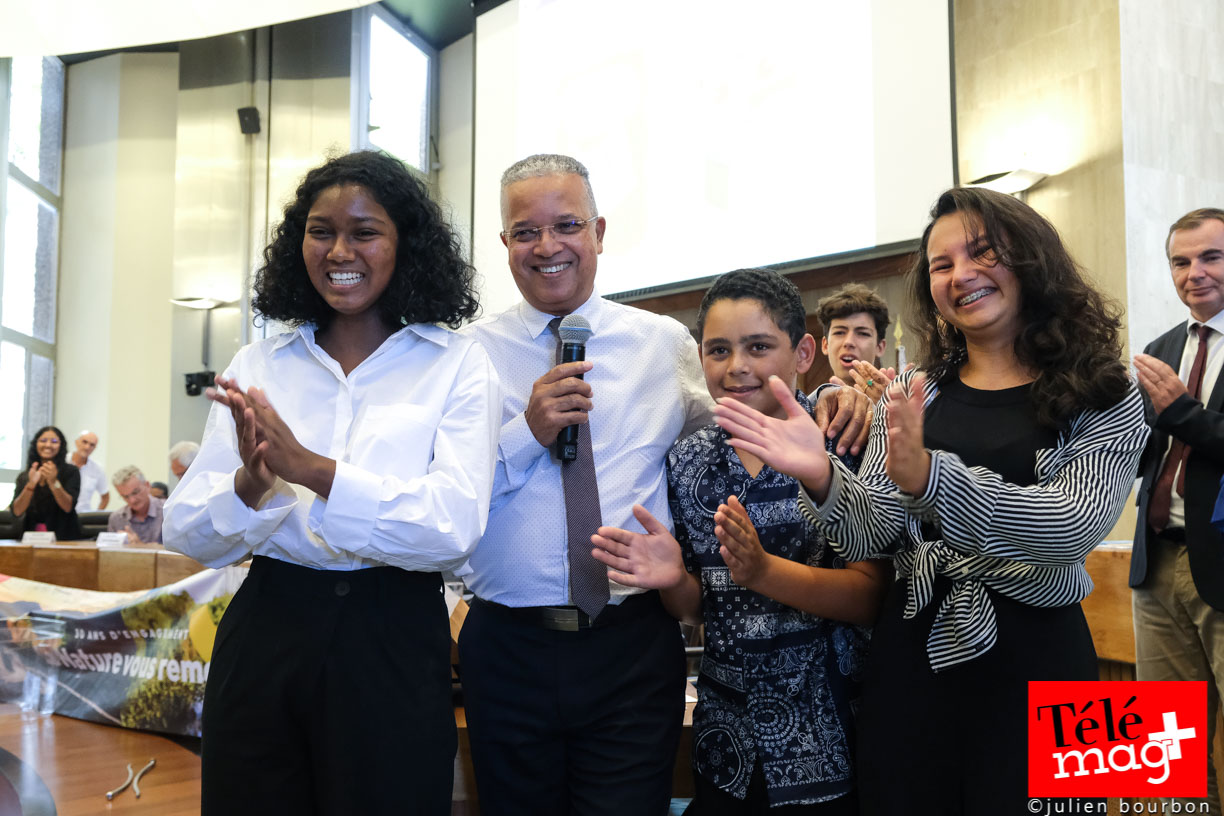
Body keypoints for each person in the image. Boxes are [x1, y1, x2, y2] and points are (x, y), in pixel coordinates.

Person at [458, 154, 872, 816]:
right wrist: (525, 433)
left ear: (597, 230)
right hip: (507, 646)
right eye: (525, 231)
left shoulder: (662, 344)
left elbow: (749, 416)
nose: (547, 246)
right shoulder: (466, 356)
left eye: (566, 224)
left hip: (629, 645)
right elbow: (445, 497)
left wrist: (826, 397)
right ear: (505, 243)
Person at [712, 187, 1148, 814]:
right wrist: (822, 476)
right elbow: (874, 536)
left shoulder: (1102, 388)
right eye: (941, 265)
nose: (961, 275)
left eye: (982, 252)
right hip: (914, 657)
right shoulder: (924, 391)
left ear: (1029, 259)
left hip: (1045, 659)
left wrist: (930, 480)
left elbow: (1072, 524)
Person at [163, 150, 500, 816]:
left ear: (406, 245)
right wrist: (252, 484)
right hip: (267, 626)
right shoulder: (260, 360)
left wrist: (310, 470)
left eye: (364, 232)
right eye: (321, 231)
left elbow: (452, 528)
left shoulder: (458, 363)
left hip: (393, 635)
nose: (339, 249)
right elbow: (186, 532)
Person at [591, 268, 889, 814]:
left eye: (758, 346)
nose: (737, 367)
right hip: (727, 736)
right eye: (719, 350)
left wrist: (763, 570)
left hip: (828, 727)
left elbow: (872, 597)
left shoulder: (844, 440)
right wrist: (673, 580)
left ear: (803, 353)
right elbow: (700, 607)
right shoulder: (687, 460)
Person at [1130, 207, 1224, 812]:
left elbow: (1186, 423)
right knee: (1166, 759)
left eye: (1211, 257)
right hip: (1157, 564)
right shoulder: (1159, 350)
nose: (1195, 273)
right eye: (1180, 261)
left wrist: (1181, 412)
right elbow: (1145, 449)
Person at [815, 283, 893, 402]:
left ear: (880, 347)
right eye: (839, 332)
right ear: (825, 345)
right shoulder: (809, 408)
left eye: (863, 333)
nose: (849, 342)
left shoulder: (896, 404)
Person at [9, 425, 83, 540]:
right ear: (36, 444)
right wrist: (30, 485)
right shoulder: (25, 475)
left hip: (64, 537)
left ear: (61, 445)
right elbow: (17, 511)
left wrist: (54, 482)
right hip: (30, 538)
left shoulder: (71, 472)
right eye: (43, 440)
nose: (48, 445)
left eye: (54, 441)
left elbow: (68, 506)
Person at [107, 466, 164, 544]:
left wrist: (140, 546)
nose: (132, 500)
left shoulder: (167, 511)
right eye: (125, 496)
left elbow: (176, 554)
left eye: (135, 492)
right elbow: (110, 553)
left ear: (147, 486)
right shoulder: (116, 518)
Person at [71, 430, 109, 511]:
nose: (87, 447)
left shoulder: (97, 469)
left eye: (92, 445)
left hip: (82, 518)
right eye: (84, 442)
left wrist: (96, 516)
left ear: (94, 448)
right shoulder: (63, 461)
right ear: (76, 442)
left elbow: (105, 497)